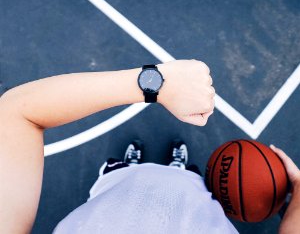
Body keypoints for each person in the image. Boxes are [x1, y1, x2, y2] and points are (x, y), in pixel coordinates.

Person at [0, 59, 299, 233]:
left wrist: (157, 83)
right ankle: (178, 171)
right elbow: (17, 113)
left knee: (121, 182)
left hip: (118, 190)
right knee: (185, 183)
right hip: (190, 196)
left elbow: (16, 114)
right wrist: (155, 82)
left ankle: (132, 169)